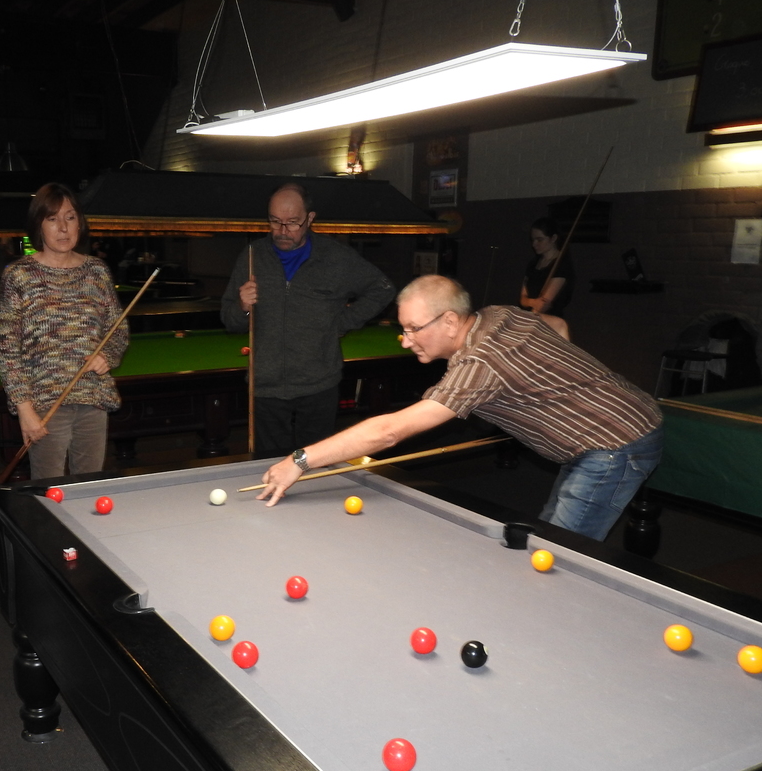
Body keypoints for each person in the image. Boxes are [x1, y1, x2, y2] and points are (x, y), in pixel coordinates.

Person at [258, 275, 663, 542]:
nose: (405, 340)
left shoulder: (480, 364)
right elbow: (556, 325)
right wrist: (556, 386)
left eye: (413, 329)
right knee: (549, 531)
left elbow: (389, 431)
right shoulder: (499, 314)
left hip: (616, 442)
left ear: (450, 322)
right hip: (612, 426)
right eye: (403, 328)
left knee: (560, 552)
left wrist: (300, 460)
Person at [221, 182, 395, 457]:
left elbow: (382, 288)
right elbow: (230, 320)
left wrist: (341, 323)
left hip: (319, 384)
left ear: (310, 218)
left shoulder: (336, 258)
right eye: (274, 221)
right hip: (265, 386)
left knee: (315, 465)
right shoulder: (252, 256)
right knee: (269, 465)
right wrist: (242, 306)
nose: (282, 231)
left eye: (292, 222)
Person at [0, 183, 127, 481]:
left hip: (93, 399)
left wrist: (108, 355)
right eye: (52, 219)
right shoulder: (19, 275)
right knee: (49, 492)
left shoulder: (97, 271)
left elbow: (118, 330)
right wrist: (25, 410)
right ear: (38, 225)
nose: (63, 228)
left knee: (88, 487)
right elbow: (7, 351)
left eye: (70, 217)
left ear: (80, 222)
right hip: (44, 406)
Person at [519, 217, 573, 340]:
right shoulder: (533, 264)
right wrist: (532, 302)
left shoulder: (562, 266)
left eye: (539, 239)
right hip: (530, 322)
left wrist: (532, 302)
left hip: (550, 327)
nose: (534, 244)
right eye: (533, 240)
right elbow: (522, 299)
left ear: (553, 238)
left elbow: (542, 305)